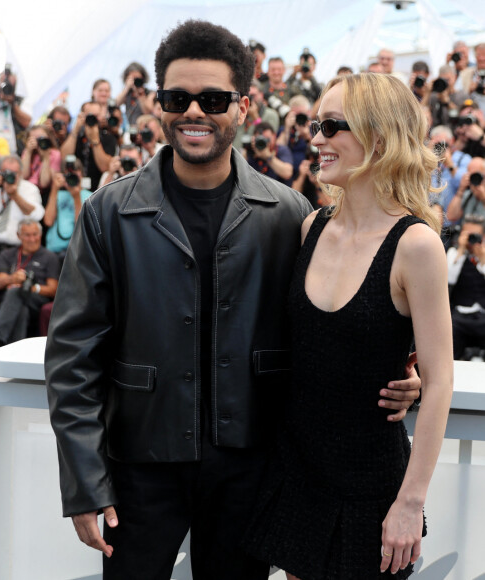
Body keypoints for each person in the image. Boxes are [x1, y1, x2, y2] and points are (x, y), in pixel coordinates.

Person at [45, 21, 421, 580]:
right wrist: (84, 481)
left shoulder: (289, 213)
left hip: (253, 465)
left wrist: (395, 375)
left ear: (243, 107)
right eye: (178, 97)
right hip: (140, 467)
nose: (194, 111)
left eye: (214, 98)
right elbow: (73, 354)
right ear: (157, 105)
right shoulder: (108, 212)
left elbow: (325, 327)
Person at [244, 72, 453, 579]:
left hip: (371, 487)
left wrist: (410, 501)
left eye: (333, 126)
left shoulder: (416, 245)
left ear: (379, 139)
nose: (316, 138)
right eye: (317, 124)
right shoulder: (311, 227)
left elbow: (441, 381)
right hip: (298, 471)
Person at [0, 218, 59, 360]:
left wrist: (32, 287)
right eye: (27, 235)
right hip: (11, 302)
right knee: (20, 308)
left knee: (16, 293)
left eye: (35, 234)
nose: (32, 239)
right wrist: (12, 279)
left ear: (40, 235)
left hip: (37, 299)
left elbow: (53, 290)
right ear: (18, 236)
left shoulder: (49, 257)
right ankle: (16, 358)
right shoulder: (7, 254)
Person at [0, 155, 45, 255]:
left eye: (13, 173)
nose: (9, 176)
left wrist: (14, 195)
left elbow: (36, 215)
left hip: (16, 248)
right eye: (6, 172)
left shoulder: (29, 188)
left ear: (20, 172)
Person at [447, 215, 485, 359]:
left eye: (475, 235)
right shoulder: (454, 253)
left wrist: (482, 260)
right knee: (450, 330)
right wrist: (461, 251)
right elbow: (449, 279)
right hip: (460, 314)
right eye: (467, 234)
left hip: (482, 313)